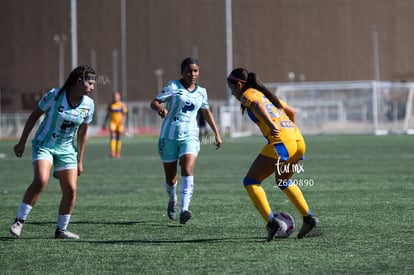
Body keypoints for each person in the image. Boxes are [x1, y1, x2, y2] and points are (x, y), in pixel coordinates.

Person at [226, 68, 319, 241]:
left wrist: (272, 125)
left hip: (281, 141)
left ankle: (271, 223)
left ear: (239, 84)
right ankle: (308, 219)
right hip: (298, 141)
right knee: (283, 181)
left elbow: (256, 105)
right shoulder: (266, 94)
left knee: (251, 181)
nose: (232, 93)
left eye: (231, 88)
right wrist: (290, 132)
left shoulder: (249, 95)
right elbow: (292, 112)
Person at [10, 65, 96, 239]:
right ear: (79, 81)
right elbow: (34, 115)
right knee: (41, 180)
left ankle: (61, 230)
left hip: (67, 149)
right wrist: (21, 142)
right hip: (45, 144)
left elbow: (83, 131)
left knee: (71, 189)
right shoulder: (55, 95)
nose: (92, 87)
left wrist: (80, 160)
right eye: (90, 83)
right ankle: (19, 221)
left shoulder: (89, 104)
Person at [150, 57, 222, 224]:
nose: (192, 74)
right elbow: (154, 102)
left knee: (188, 169)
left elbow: (206, 112)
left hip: (190, 136)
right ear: (182, 72)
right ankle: (172, 199)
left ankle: (185, 209)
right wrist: (160, 108)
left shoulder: (201, 92)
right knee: (171, 179)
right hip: (169, 137)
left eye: (195, 70)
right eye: (189, 71)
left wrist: (216, 133)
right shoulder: (173, 86)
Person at [102, 91, 128, 158]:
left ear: (119, 97)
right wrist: (104, 123)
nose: (115, 97)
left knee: (118, 137)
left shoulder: (122, 105)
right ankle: (112, 152)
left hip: (120, 123)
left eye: (117, 96)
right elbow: (107, 114)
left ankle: (118, 152)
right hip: (112, 122)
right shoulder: (110, 104)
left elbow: (124, 115)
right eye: (114, 96)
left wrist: (123, 123)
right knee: (113, 137)